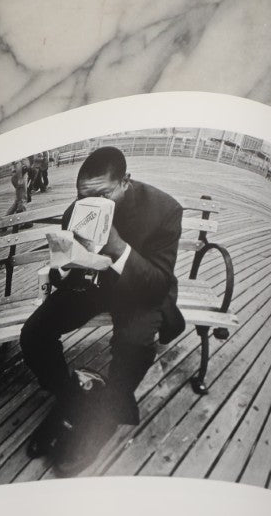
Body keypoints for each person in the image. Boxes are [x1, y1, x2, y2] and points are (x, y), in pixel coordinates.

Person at [20, 147, 184, 472]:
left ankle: (107, 413)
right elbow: (64, 270)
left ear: (125, 181)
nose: (91, 203)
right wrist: (62, 265)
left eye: (103, 195)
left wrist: (118, 247)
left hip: (140, 290)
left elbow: (157, 283)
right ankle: (72, 399)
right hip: (93, 285)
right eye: (84, 196)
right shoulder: (76, 210)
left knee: (134, 344)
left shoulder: (164, 210)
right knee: (34, 333)